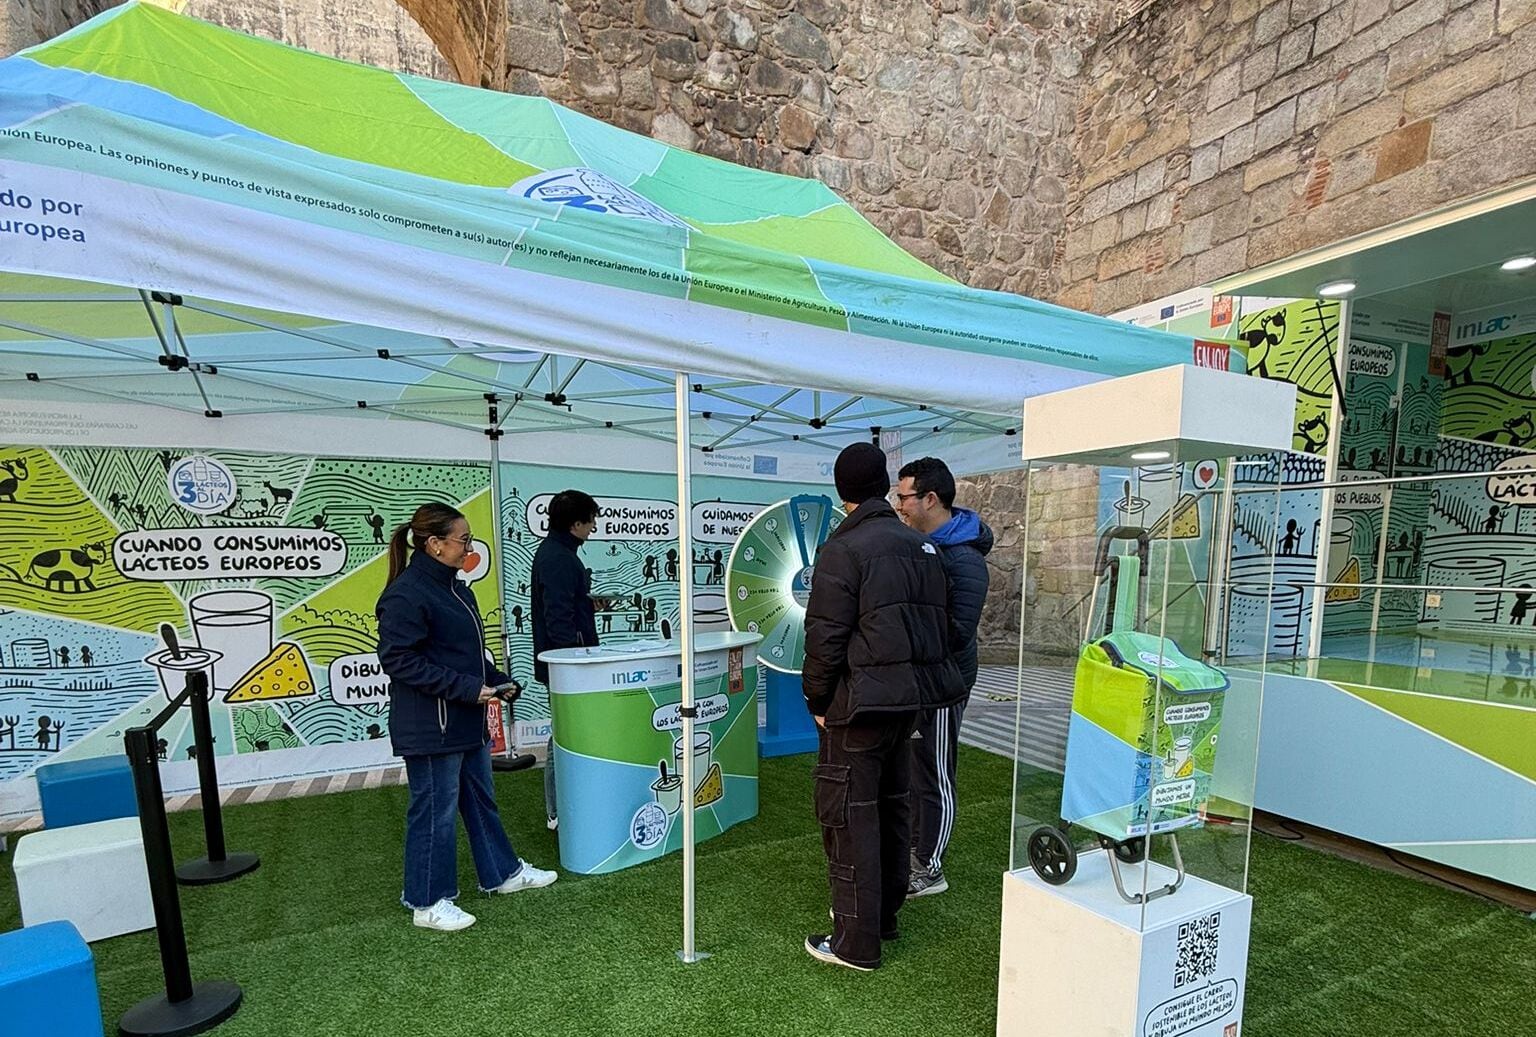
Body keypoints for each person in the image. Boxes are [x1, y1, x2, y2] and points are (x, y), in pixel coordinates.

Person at [801, 443, 964, 971]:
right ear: (884, 485)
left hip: (859, 707)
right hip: (908, 705)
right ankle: (884, 919)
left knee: (851, 817)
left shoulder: (844, 550)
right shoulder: (921, 546)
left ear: (841, 490)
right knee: (894, 809)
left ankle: (855, 942)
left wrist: (818, 699)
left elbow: (824, 636)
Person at [377, 503, 557, 932]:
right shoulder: (406, 593)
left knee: (479, 801)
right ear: (435, 544)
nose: (469, 548)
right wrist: (466, 689)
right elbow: (398, 660)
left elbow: (467, 656)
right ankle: (427, 902)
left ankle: (503, 874)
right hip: (431, 727)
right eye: (464, 540)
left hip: (465, 722)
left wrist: (498, 680)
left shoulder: (459, 589)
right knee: (434, 812)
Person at [892, 456, 993, 898]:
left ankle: (930, 867)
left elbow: (956, 632)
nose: (899, 506)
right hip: (922, 682)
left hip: (944, 685)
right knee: (917, 771)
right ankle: (915, 851)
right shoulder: (927, 548)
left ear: (930, 499)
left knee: (935, 772)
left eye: (905, 497)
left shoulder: (963, 561)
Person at [531, 489, 602, 831]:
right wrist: (572, 660)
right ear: (577, 523)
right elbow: (557, 616)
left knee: (567, 734)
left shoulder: (558, 552)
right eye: (590, 521)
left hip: (567, 660)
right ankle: (558, 812)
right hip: (566, 664)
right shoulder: (559, 557)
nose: (593, 527)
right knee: (563, 736)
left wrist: (589, 605)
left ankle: (564, 807)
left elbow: (564, 605)